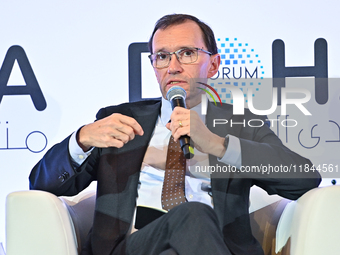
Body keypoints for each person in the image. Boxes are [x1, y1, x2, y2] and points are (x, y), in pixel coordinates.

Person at [29, 14, 321, 255]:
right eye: (163, 56)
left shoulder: (241, 123)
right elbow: (41, 184)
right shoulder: (120, 121)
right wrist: (80, 140)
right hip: (131, 247)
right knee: (191, 215)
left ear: (214, 64)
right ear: (154, 66)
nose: (174, 66)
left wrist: (219, 146)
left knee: (194, 220)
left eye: (187, 53)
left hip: (215, 245)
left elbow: (304, 179)